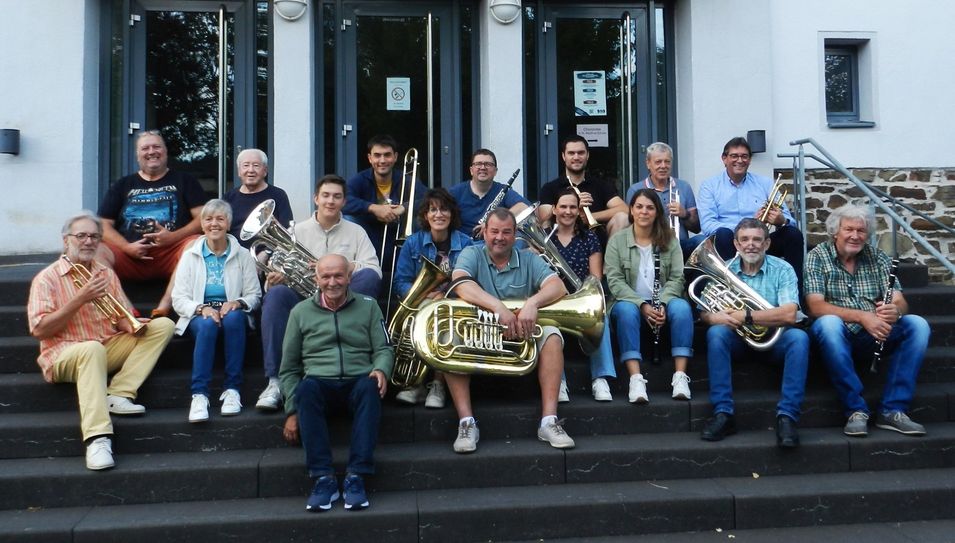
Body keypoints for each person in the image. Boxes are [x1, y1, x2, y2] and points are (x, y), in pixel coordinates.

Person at [27, 211, 175, 470]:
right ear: (66, 241)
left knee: (163, 325)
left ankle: (119, 393)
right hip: (63, 354)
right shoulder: (47, 279)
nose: (88, 242)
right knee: (91, 349)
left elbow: (117, 316)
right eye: (81, 236)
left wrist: (131, 326)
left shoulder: (105, 273)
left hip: (103, 346)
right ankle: (98, 438)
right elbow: (40, 330)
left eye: (94, 237)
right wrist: (79, 299)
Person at [445, 209, 575, 454]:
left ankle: (549, 421)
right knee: (449, 338)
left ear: (515, 235)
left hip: (521, 334)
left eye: (506, 232)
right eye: (494, 231)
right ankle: (466, 423)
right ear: (484, 232)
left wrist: (532, 303)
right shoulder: (471, 253)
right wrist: (497, 307)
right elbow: (460, 282)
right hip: (482, 333)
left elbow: (557, 286)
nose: (499, 237)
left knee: (553, 336)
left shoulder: (528, 258)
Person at [255, 174, 382, 412]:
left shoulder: (356, 232)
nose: (330, 201)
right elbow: (276, 272)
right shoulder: (295, 231)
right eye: (325, 195)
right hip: (305, 299)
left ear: (344, 201)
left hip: (344, 299)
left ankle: (357, 357)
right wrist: (276, 279)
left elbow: (374, 270)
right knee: (275, 295)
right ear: (316, 198)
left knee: (369, 277)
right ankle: (275, 381)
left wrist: (347, 265)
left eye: (337, 196)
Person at [279, 254, 393, 512]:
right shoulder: (300, 312)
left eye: (338, 275)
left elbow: (384, 348)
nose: (332, 282)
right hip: (319, 385)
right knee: (305, 389)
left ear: (349, 277)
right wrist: (291, 410)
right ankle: (323, 479)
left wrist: (381, 369)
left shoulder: (369, 305)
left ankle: (356, 476)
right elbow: (289, 368)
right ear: (316, 279)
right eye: (326, 276)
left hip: (357, 383)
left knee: (369, 386)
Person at [805, 204, 930, 437]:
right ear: (835, 232)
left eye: (861, 231)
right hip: (838, 334)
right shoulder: (817, 257)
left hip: (876, 332)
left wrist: (895, 311)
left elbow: (900, 301)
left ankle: (893, 410)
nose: (855, 236)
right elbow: (815, 306)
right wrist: (863, 317)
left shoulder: (878, 257)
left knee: (918, 325)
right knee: (827, 324)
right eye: (849, 229)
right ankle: (855, 410)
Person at [697, 218, 808, 448]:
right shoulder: (724, 269)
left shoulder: (782, 269)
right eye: (744, 239)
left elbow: (789, 314)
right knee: (715, 334)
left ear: (767, 243)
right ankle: (723, 414)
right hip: (737, 340)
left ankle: (787, 416)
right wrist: (712, 317)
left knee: (799, 338)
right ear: (736, 244)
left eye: (757, 239)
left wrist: (747, 316)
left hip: (775, 340)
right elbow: (704, 312)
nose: (751, 245)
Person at [97, 130, 208, 316]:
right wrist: (126, 247)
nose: (151, 151)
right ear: (137, 155)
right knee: (95, 250)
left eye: (156, 146)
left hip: (171, 254)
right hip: (130, 256)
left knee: (197, 243)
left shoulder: (185, 181)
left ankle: (164, 306)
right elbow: (102, 224)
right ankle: (126, 310)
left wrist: (173, 237)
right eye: (145, 148)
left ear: (165, 151)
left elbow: (203, 218)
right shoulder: (123, 184)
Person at [171, 200, 262, 422]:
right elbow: (178, 298)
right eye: (209, 219)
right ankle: (199, 395)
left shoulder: (242, 254)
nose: (214, 224)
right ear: (202, 224)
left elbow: (255, 295)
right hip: (198, 315)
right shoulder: (190, 254)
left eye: (220, 219)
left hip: (231, 313)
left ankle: (232, 390)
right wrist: (202, 308)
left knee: (233, 319)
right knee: (208, 324)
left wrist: (237, 303)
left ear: (229, 223)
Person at [605, 189, 694, 404]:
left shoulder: (670, 240)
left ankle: (680, 376)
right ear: (632, 211)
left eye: (650, 207)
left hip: (664, 299)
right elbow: (615, 281)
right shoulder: (617, 241)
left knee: (682, 309)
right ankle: (635, 378)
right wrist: (642, 305)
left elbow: (677, 277)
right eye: (639, 207)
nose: (644, 211)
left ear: (657, 213)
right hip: (628, 302)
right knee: (626, 311)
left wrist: (662, 302)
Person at [392, 188, 474, 408]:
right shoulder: (413, 243)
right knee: (427, 311)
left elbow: (472, 280)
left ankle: (438, 384)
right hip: (422, 302)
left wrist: (446, 296)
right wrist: (424, 294)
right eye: (433, 210)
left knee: (441, 315)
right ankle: (416, 383)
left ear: (452, 214)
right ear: (426, 216)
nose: (439, 215)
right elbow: (400, 282)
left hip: (454, 304)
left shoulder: (466, 244)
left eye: (444, 209)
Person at [696, 136, 805, 289]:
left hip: (761, 242)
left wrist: (781, 221)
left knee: (793, 234)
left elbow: (789, 221)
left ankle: (796, 298)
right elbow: (708, 225)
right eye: (734, 156)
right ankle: (734, 291)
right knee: (722, 233)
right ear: (724, 159)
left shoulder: (765, 183)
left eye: (744, 156)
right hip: (729, 243)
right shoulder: (710, 186)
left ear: (750, 160)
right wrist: (745, 227)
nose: (740, 160)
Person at [550, 188, 616, 401]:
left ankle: (600, 379)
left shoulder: (589, 238)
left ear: (579, 211)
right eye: (563, 206)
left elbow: (595, 277)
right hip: (554, 301)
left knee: (600, 317)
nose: (568, 211)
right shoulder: (545, 239)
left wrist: (580, 298)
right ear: (554, 209)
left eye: (573, 207)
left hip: (580, 299)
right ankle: (558, 382)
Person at [342, 134, 428, 270]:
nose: (382, 160)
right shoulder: (360, 179)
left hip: (398, 233)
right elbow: (343, 201)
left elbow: (430, 199)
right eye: (377, 155)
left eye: (387, 155)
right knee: (348, 218)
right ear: (370, 158)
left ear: (395, 157)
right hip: (370, 233)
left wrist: (404, 208)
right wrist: (373, 208)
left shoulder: (406, 179)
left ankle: (415, 269)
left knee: (421, 218)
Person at [537, 135, 629, 240]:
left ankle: (612, 256)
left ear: (587, 155)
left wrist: (591, 217)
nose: (576, 157)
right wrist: (575, 205)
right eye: (571, 153)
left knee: (622, 218)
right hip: (562, 243)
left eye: (581, 153)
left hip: (598, 241)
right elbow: (544, 218)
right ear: (563, 156)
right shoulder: (550, 187)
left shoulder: (601, 185)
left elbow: (624, 209)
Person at [624, 142, 702, 258]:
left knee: (701, 241)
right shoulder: (636, 189)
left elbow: (696, 228)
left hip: (680, 246)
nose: (663, 166)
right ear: (648, 163)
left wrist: (684, 214)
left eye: (667, 161)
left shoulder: (684, 186)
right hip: (649, 246)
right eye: (658, 162)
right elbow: (631, 225)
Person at [448, 148, 530, 239]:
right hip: (463, 245)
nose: (483, 168)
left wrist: (492, 222)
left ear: (495, 171)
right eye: (478, 164)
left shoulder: (503, 190)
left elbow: (524, 207)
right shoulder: (456, 192)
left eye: (488, 164)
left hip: (495, 244)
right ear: (471, 170)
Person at [223, 148, 293, 248]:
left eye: (256, 165)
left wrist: (267, 253)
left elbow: (286, 231)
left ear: (265, 171)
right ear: (239, 171)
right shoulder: (228, 198)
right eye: (246, 165)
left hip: (268, 259)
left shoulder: (278, 195)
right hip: (235, 256)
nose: (250, 170)